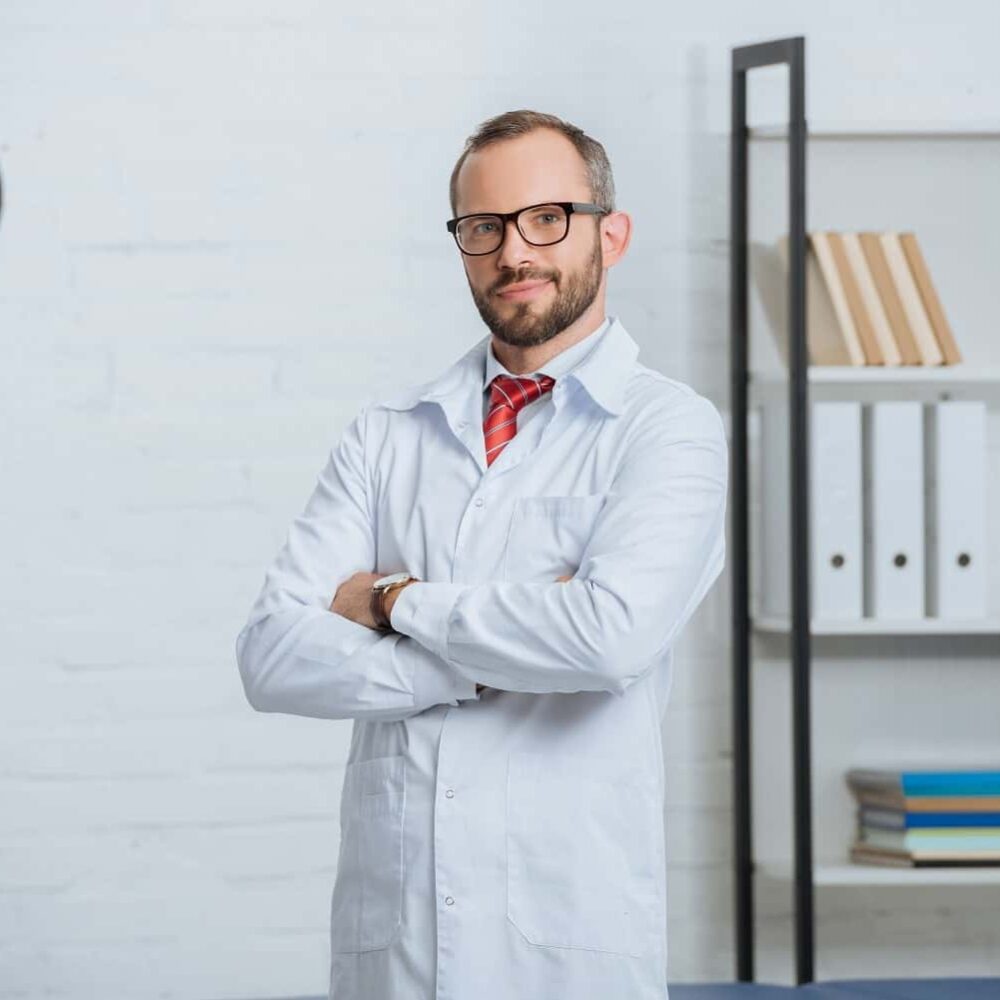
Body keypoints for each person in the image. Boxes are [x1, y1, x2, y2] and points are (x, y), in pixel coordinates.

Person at [235, 108, 728, 1000]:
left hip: (569, 944)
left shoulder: (669, 430)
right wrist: (497, 658)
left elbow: (608, 641)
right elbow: (272, 658)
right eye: (483, 227)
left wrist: (392, 603)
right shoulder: (386, 437)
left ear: (609, 234)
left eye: (548, 219)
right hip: (396, 951)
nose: (515, 252)